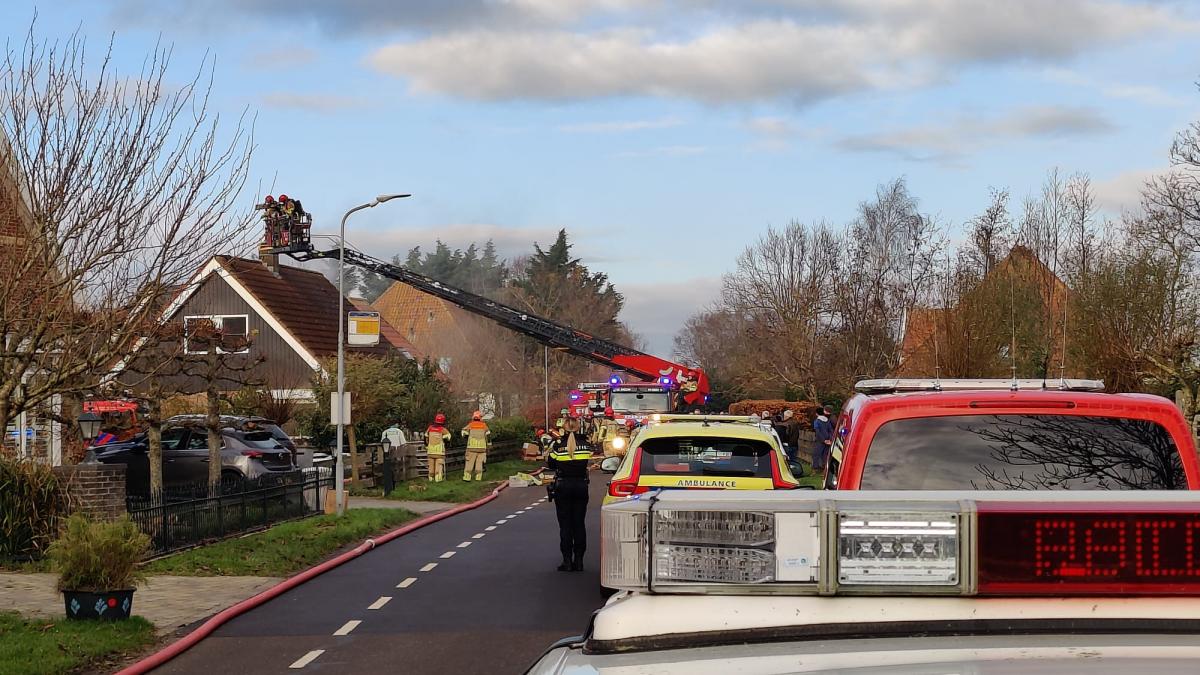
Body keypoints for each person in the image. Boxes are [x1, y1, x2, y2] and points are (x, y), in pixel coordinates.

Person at [547, 417, 591, 572]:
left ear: (564, 428)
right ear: (578, 428)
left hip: (563, 486)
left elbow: (551, 464)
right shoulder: (585, 444)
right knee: (579, 524)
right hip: (581, 486)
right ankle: (579, 561)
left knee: (565, 525)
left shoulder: (558, 445)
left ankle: (567, 561)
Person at [461, 411, 491, 481]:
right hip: (482, 449)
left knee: (469, 463)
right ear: (480, 418)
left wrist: (467, 438)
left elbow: (463, 432)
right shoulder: (484, 425)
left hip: (471, 448)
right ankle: (478, 478)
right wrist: (489, 446)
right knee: (479, 464)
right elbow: (488, 436)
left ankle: (467, 477)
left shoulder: (471, 425)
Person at [425, 414, 451, 482]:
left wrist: (427, 445)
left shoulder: (430, 428)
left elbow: (426, 437)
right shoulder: (443, 429)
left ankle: (431, 479)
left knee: (431, 466)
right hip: (439, 452)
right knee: (439, 466)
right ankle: (438, 479)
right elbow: (448, 437)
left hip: (430, 451)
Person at [812, 406, 834, 472]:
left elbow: (818, 432)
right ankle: (825, 468)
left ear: (817, 413)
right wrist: (829, 439)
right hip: (828, 440)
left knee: (816, 454)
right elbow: (831, 431)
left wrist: (823, 440)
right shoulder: (828, 421)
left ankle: (816, 468)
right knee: (825, 455)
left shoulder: (817, 421)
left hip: (820, 441)